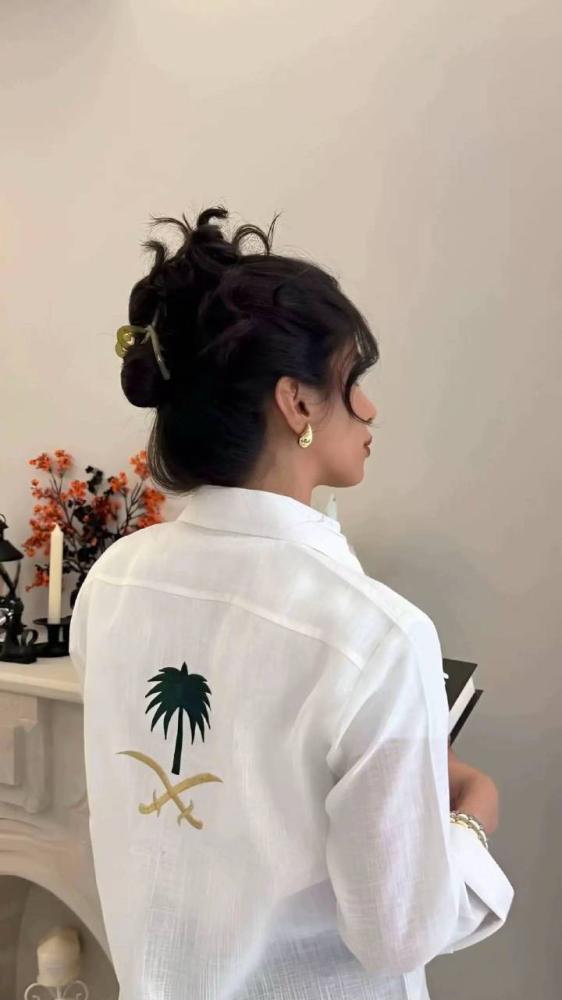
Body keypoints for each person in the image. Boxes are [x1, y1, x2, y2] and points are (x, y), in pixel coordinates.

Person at [69, 207, 514, 1000]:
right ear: (298, 403)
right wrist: (472, 815)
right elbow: (397, 932)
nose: (370, 410)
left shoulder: (112, 584)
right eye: (354, 381)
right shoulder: (378, 638)